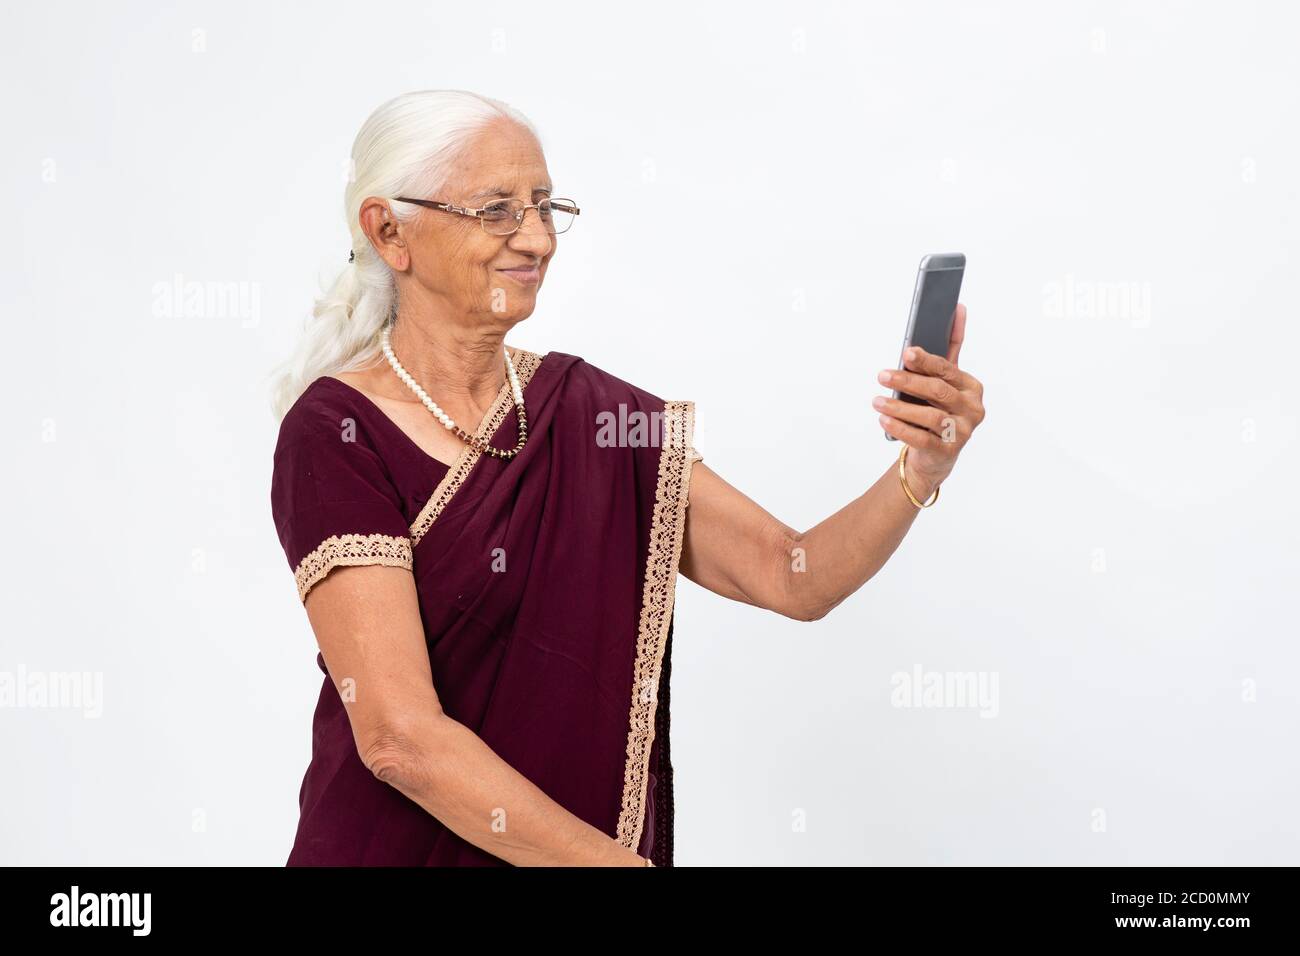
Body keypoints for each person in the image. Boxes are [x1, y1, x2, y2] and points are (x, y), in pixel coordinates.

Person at [267, 89, 986, 866]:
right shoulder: (336, 431)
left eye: (545, 206)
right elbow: (399, 738)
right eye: (498, 210)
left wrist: (920, 469)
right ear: (389, 232)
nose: (537, 238)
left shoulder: (595, 414)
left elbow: (792, 575)